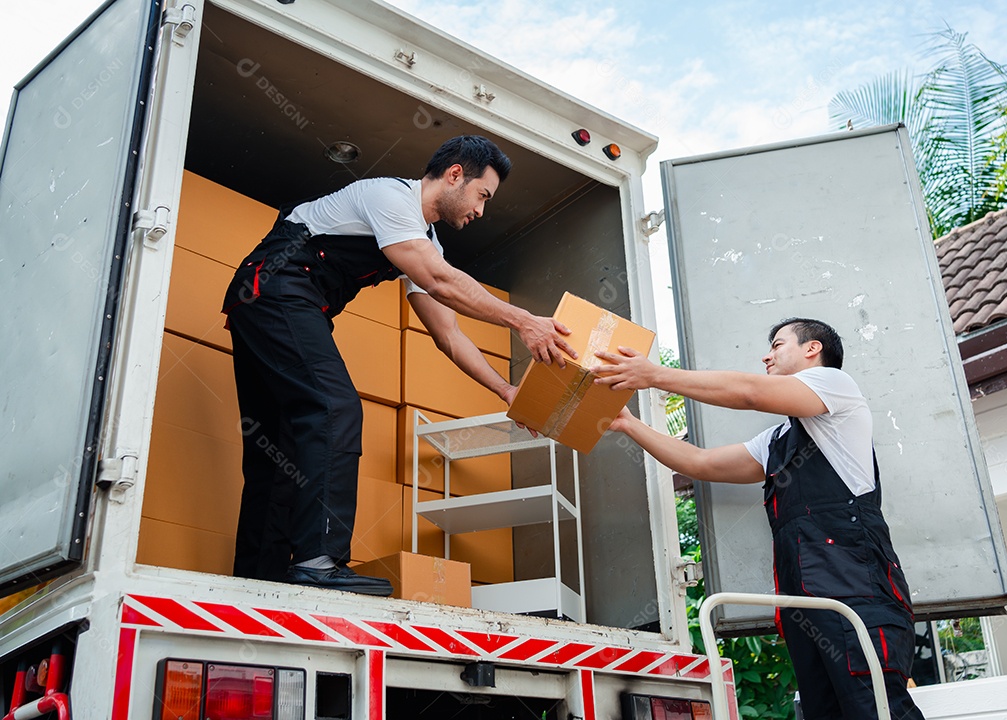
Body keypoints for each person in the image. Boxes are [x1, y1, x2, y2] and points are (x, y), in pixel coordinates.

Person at [221, 135, 574, 594]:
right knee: (334, 408)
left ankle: (258, 579)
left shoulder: (422, 240)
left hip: (271, 305)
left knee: (281, 445)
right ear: (454, 175)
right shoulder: (388, 197)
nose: (481, 211)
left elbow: (448, 334)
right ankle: (317, 561)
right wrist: (523, 321)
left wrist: (506, 392)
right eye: (482, 195)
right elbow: (439, 280)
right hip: (274, 290)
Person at [593, 318, 924, 720]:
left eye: (777, 344)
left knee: (877, 710)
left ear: (812, 349)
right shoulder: (777, 441)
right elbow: (700, 462)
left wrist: (654, 375)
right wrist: (629, 424)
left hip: (858, 597)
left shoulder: (837, 386)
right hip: (806, 607)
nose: (766, 355)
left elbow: (749, 393)